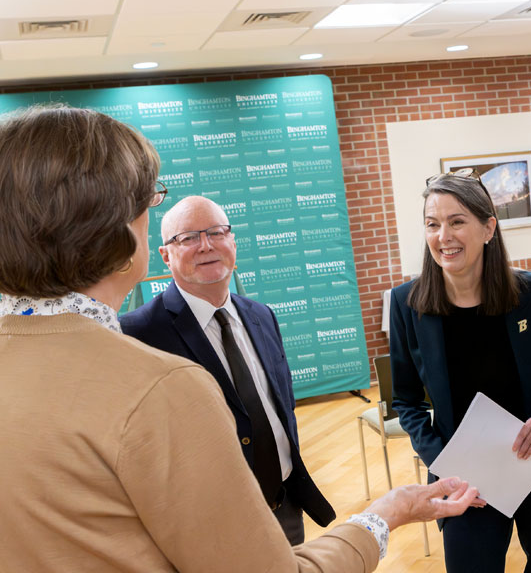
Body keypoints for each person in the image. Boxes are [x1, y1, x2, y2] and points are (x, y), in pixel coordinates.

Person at [0, 105, 478, 572]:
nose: (206, 246)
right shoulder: (159, 385)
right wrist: (386, 514)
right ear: (120, 234)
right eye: (153, 208)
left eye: (217, 233)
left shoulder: (254, 317)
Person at [390, 172, 531, 573]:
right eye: (432, 224)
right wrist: (443, 459)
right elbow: (406, 400)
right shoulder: (407, 304)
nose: (443, 236)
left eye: (457, 221)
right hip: (466, 477)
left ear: (489, 228)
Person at [121, 195, 329, 545]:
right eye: (187, 238)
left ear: (233, 241)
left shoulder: (262, 316)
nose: (206, 246)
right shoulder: (138, 332)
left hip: (285, 507)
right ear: (165, 255)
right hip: (208, 528)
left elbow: (281, 408)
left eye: (217, 232)